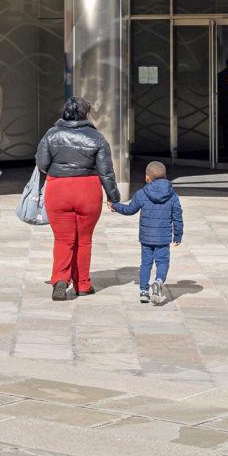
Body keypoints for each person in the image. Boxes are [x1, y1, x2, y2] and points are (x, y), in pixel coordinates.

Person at [33, 97, 119, 301]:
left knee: (63, 239)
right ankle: (83, 284)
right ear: (86, 114)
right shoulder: (96, 137)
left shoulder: (51, 135)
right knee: (84, 241)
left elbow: (42, 164)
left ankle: (60, 280)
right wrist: (113, 196)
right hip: (87, 190)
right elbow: (106, 172)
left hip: (58, 189)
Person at [113, 160, 185, 305]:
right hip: (163, 238)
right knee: (162, 262)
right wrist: (177, 235)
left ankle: (144, 292)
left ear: (147, 178)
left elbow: (129, 210)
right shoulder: (172, 195)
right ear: (165, 176)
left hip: (146, 237)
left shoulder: (142, 193)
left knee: (146, 263)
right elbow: (177, 216)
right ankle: (158, 281)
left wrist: (115, 206)